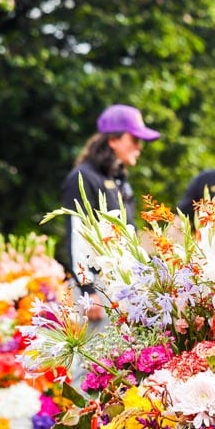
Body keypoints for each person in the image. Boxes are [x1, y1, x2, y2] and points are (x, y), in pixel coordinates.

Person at [61, 104, 161, 322]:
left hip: (118, 285)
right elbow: (78, 235)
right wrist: (88, 290)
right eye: (134, 140)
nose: (139, 147)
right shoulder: (84, 177)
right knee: (94, 355)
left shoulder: (117, 178)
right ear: (113, 140)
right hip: (95, 292)